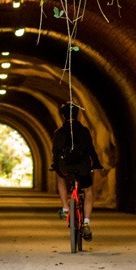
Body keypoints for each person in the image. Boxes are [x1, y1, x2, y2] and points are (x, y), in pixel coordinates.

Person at [51, 102, 103, 240]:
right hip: (82, 167)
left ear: (63, 116)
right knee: (88, 191)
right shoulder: (84, 131)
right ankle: (86, 222)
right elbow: (91, 149)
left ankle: (65, 207)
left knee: (61, 178)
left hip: (65, 167)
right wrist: (96, 163)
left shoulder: (59, 132)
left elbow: (55, 152)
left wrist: (55, 165)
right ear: (77, 114)